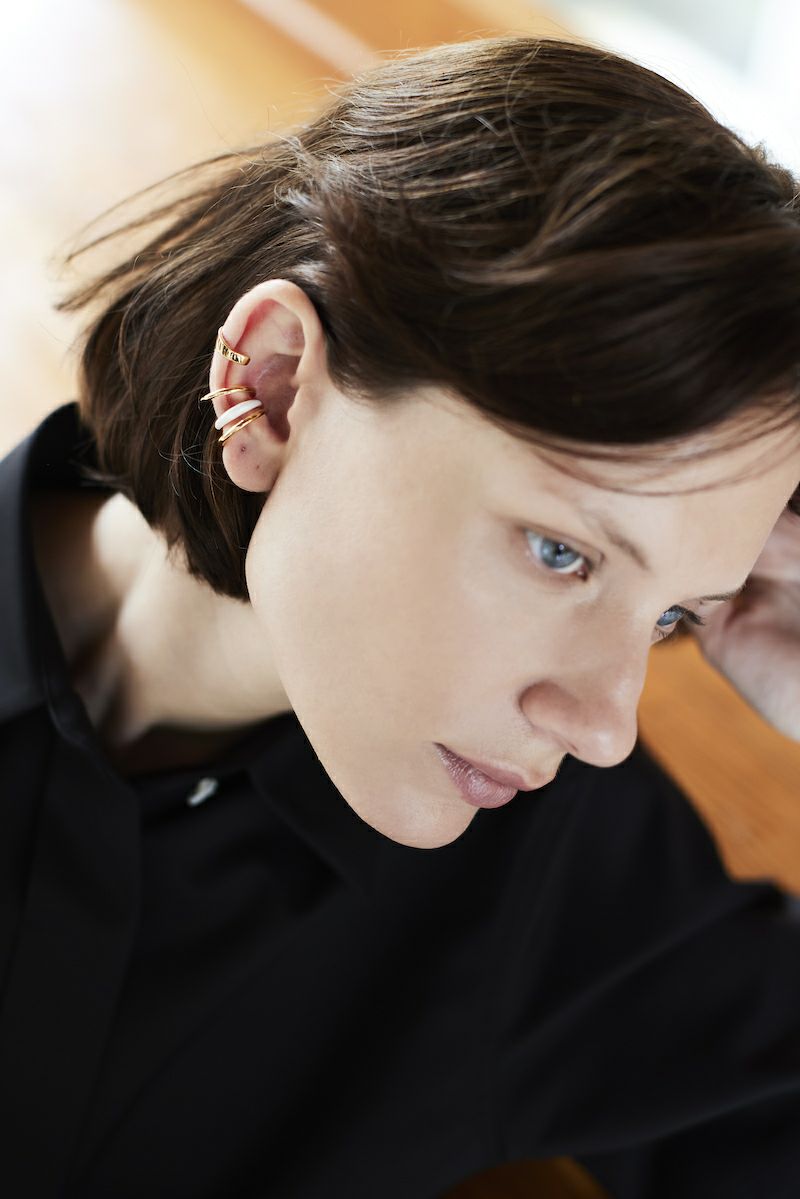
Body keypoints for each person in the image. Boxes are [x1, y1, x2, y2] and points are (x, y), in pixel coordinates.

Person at [1, 32, 799, 1199]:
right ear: (271, 385)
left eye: (671, 614)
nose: (601, 722)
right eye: (560, 552)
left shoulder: (550, 867)